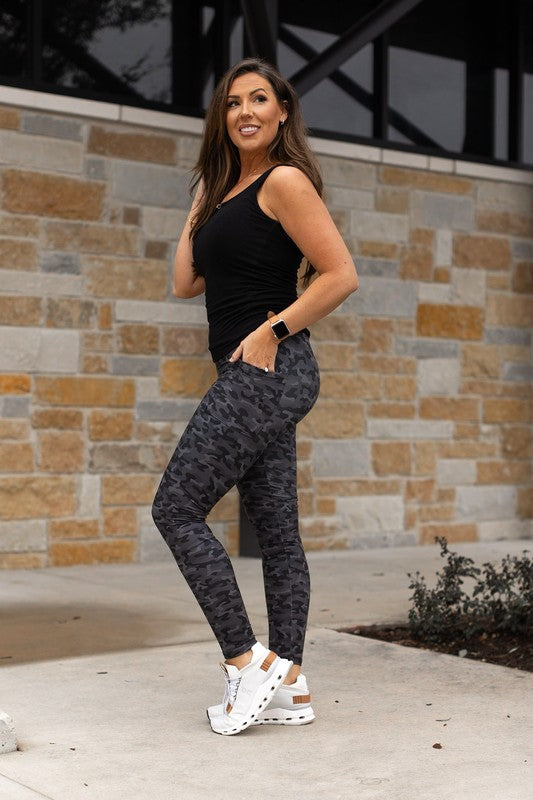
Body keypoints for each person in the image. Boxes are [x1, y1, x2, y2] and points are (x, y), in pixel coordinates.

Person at [152, 57, 359, 736]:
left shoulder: (284, 181)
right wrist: (204, 192)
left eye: (259, 99)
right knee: (276, 532)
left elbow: (340, 273)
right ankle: (290, 684)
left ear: (282, 111)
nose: (244, 111)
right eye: (232, 102)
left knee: (175, 507)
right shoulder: (228, 191)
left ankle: (247, 662)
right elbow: (185, 281)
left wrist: (273, 330)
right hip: (250, 372)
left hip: (272, 365)